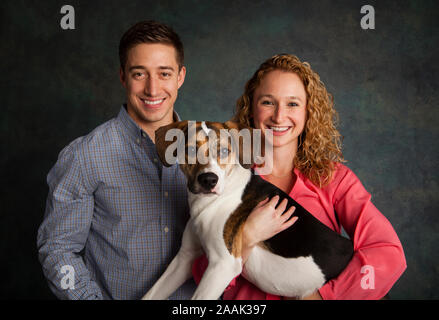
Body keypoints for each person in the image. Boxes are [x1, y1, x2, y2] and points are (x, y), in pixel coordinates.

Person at [193, 54, 407, 299]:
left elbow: (387, 252)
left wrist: (326, 297)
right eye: (267, 102)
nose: (279, 116)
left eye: (292, 104)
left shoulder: (333, 179)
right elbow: (201, 272)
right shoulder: (220, 179)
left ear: (308, 113)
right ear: (251, 110)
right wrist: (247, 238)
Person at [37, 20, 196, 299]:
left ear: (180, 76)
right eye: (139, 74)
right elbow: (58, 248)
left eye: (164, 73)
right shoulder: (85, 155)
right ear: (123, 76)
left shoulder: (210, 151)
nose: (152, 88)